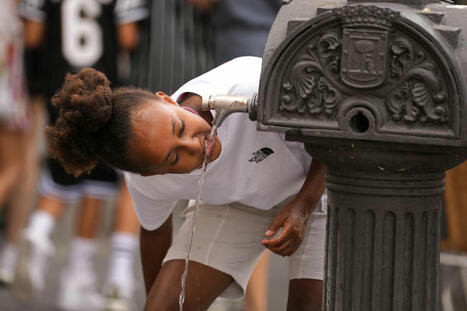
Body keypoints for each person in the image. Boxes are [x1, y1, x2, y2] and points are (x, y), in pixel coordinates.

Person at [47, 56, 327, 311]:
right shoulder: (146, 181)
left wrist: (304, 205)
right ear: (152, 174)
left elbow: (338, 130)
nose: (194, 145)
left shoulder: (246, 85)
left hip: (322, 181)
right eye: (173, 157)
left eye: (179, 127)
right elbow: (154, 232)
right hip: (242, 201)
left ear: (167, 100)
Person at [13, 1, 148, 309]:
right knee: (97, 183)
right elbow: (128, 37)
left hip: (57, 85)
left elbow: (32, 35)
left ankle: (40, 230)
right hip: (99, 88)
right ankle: (78, 273)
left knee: (61, 170)